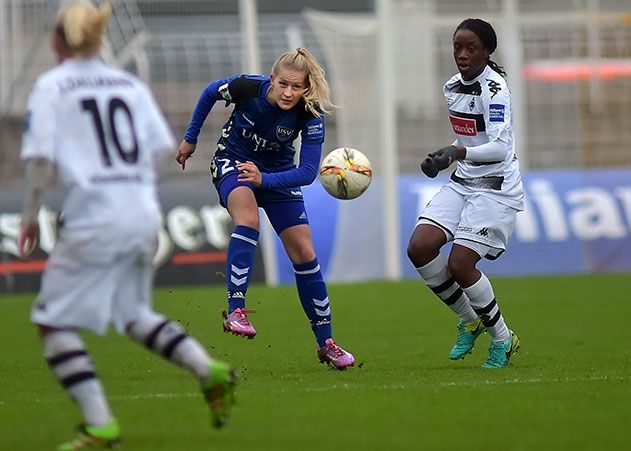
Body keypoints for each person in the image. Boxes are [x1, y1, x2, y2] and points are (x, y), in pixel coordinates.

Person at [18, 3, 237, 449]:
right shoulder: (127, 82)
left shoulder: (52, 86)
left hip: (94, 215)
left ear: (57, 40)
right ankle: (209, 370)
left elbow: (40, 162)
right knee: (132, 314)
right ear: (99, 39)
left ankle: (100, 425)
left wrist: (29, 218)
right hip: (140, 213)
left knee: (51, 321)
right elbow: (160, 151)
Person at [176, 48, 355, 370]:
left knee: (304, 251)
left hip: (275, 174)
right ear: (271, 79)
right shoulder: (246, 87)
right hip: (234, 162)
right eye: (283, 84)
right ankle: (236, 311)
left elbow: (307, 172)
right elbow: (208, 93)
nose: (288, 92)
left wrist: (266, 179)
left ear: (306, 88)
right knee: (248, 218)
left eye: (296, 86)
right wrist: (190, 139)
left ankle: (326, 343)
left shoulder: (310, 114)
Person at [407, 18, 523, 368]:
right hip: (463, 180)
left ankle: (503, 339)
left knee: (460, 263)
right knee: (420, 247)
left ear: (487, 51)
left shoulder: (496, 91)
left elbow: (500, 148)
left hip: (496, 187)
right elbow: (470, 141)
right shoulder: (452, 87)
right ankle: (470, 319)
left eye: (471, 47)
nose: (462, 53)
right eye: (458, 46)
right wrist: (443, 157)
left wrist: (456, 153)